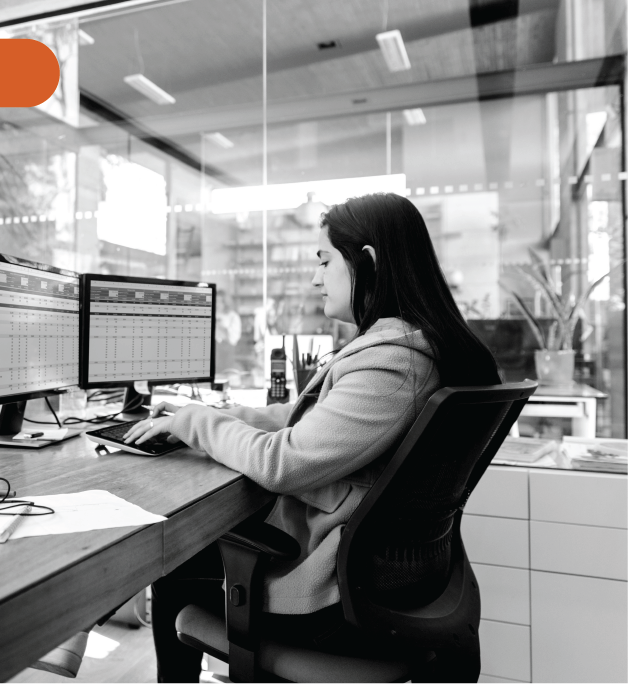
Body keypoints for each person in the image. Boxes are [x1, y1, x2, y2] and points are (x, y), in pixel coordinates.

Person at [124, 192, 501, 683]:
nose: (315, 277)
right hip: (387, 581)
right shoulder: (414, 348)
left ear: (367, 262)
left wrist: (196, 422)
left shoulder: (395, 363)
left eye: (324, 261)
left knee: (173, 560)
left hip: (335, 600)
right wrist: (213, 416)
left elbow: (284, 464)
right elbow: (306, 418)